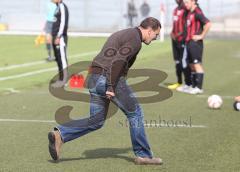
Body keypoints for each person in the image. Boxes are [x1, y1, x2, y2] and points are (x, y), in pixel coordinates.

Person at [48, 17, 163, 165]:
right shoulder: (135, 40)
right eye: (156, 34)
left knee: (96, 121)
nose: (156, 38)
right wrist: (110, 86)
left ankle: (60, 134)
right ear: (149, 30)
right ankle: (144, 155)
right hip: (106, 79)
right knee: (135, 113)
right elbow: (117, 62)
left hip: (94, 78)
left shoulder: (127, 33)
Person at [183, 0, 211, 94]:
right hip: (189, 42)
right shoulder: (189, 12)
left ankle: (199, 88)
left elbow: (208, 23)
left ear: (193, 1)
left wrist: (201, 36)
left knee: (197, 64)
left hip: (196, 43)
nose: (185, 4)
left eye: (187, 2)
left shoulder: (197, 12)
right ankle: (194, 86)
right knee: (191, 65)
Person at [168, 0, 192, 92]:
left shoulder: (186, 9)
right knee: (177, 61)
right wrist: (172, 32)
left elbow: (186, 25)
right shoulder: (175, 10)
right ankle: (179, 82)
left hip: (182, 39)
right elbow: (175, 24)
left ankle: (188, 83)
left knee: (184, 61)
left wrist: (179, 34)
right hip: (174, 39)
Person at [51, 0, 69, 88]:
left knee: (62, 59)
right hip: (55, 37)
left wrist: (58, 36)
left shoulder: (62, 6)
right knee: (58, 59)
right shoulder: (57, 7)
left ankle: (64, 80)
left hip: (60, 38)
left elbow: (63, 23)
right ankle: (60, 79)